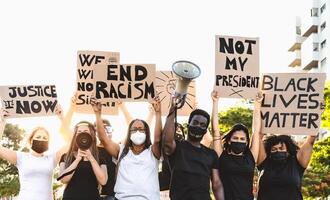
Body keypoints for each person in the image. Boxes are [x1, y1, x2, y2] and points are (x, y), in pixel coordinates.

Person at [92, 96, 162, 200]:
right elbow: (104, 139)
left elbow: (158, 139)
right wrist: (98, 113)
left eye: (141, 129)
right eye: (134, 129)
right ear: (129, 133)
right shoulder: (121, 150)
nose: (137, 131)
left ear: (147, 132)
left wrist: (158, 113)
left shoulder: (153, 152)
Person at [0, 105, 71, 200]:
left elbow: (71, 142)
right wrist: (3, 121)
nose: (41, 140)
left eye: (45, 138)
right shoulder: (21, 157)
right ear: (31, 140)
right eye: (38, 137)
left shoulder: (52, 159)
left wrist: (62, 118)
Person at [163, 96, 225, 200]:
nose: (198, 127)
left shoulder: (211, 154)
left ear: (205, 130)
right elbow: (167, 142)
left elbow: (216, 184)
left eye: (202, 125)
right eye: (195, 123)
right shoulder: (177, 147)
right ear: (188, 124)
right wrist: (172, 109)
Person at [212, 90, 263, 200]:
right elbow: (215, 131)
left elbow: (256, 131)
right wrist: (215, 102)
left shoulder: (250, 156)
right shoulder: (222, 156)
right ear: (229, 141)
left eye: (242, 139)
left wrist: (257, 104)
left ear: (246, 142)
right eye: (235, 138)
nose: (239, 141)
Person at [256, 134, 317, 200]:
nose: (278, 151)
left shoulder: (296, 163)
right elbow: (257, 137)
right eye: (274, 149)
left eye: (281, 148)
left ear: (288, 150)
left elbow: (310, 141)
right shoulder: (264, 162)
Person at [59, 121, 108, 200]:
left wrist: (91, 158)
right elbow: (63, 179)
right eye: (79, 132)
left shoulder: (100, 158)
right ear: (75, 136)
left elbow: (103, 181)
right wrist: (77, 160)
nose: (82, 134)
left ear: (92, 135)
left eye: (85, 131)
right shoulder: (66, 157)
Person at [97, 119, 117, 200]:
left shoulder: (117, 149)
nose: (104, 132)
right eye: (101, 128)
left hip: (112, 194)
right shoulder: (91, 150)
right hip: (94, 194)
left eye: (107, 129)